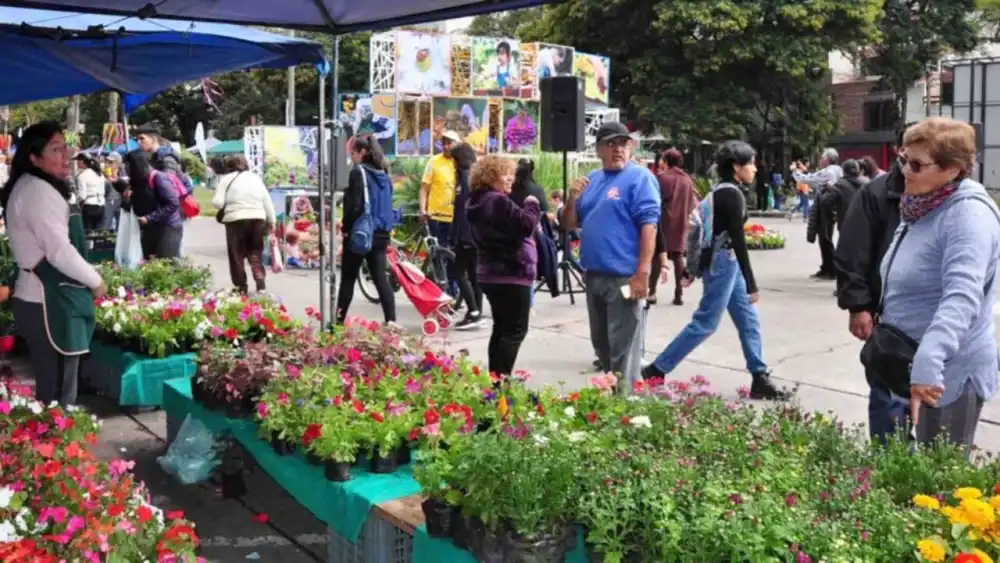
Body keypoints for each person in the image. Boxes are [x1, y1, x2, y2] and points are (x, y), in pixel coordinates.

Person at [876, 117, 1000, 452]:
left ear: (952, 169)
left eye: (916, 164)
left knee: (941, 483)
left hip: (947, 372)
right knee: (918, 472)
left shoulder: (967, 217)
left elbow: (962, 297)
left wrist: (929, 362)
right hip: (911, 362)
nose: (905, 170)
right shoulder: (923, 204)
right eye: (903, 159)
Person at [642, 141, 789, 401]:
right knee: (706, 322)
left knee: (748, 320)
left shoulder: (721, 191)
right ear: (736, 166)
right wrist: (752, 283)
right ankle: (657, 369)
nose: (755, 168)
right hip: (726, 263)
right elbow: (736, 240)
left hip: (724, 262)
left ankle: (759, 376)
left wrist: (694, 270)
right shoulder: (731, 194)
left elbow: (712, 237)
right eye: (751, 163)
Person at [1, 121, 107, 405]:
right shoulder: (37, 191)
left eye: (64, 147)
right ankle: (57, 441)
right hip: (48, 300)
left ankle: (55, 441)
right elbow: (59, 250)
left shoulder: (35, 185)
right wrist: (96, 282)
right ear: (34, 158)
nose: (65, 155)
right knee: (58, 392)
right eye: (55, 149)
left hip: (46, 296)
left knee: (54, 385)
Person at [562, 122, 660, 390]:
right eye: (611, 143)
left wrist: (643, 273)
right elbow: (570, 225)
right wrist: (572, 199)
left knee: (624, 353)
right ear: (598, 149)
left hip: (624, 277)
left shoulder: (640, 178)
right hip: (594, 275)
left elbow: (649, 227)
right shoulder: (591, 180)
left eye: (623, 143)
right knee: (602, 347)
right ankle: (614, 403)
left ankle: (627, 410)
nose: (618, 149)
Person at [834, 125, 911, 444]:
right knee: (889, 395)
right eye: (910, 154)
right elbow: (854, 252)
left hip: (937, 320)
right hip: (888, 315)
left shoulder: (956, 199)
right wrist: (858, 305)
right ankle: (889, 469)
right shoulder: (877, 193)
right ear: (898, 151)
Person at [466, 156, 541, 375]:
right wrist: (532, 204)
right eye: (506, 174)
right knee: (515, 330)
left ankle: (495, 380)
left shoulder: (476, 201)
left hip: (489, 273)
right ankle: (502, 382)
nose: (511, 179)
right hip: (511, 272)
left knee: (501, 328)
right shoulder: (496, 201)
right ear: (491, 176)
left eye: (512, 174)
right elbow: (526, 225)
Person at [336, 135, 397, 325]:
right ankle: (391, 321)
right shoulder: (384, 175)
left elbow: (354, 206)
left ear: (363, 153)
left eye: (353, 153)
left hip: (361, 233)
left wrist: (346, 229)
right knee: (380, 278)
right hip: (381, 233)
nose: (351, 156)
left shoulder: (358, 173)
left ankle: (338, 323)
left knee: (348, 279)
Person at [212, 155, 276, 294]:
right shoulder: (255, 179)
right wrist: (272, 221)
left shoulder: (226, 180)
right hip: (257, 219)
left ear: (229, 166)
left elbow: (217, 202)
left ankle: (241, 286)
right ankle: (260, 281)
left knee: (236, 254)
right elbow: (267, 201)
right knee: (255, 252)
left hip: (235, 220)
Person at [655, 148, 698, 305]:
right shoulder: (686, 179)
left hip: (664, 222)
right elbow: (692, 203)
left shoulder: (662, 178)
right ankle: (679, 293)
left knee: (657, 256)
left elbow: (655, 199)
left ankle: (651, 292)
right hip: (681, 223)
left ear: (666, 161)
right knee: (678, 256)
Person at [449, 142, 484, 329]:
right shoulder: (476, 175)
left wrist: (459, 236)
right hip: (476, 233)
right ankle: (478, 309)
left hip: (466, 234)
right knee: (473, 274)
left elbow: (463, 209)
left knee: (458, 272)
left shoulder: (464, 178)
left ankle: (473, 311)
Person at [794, 148, 843, 280]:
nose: (820, 160)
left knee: (825, 238)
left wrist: (795, 172)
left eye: (822, 158)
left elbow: (809, 179)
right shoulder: (838, 170)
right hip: (831, 208)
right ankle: (826, 267)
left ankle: (831, 269)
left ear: (827, 159)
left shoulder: (830, 171)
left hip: (826, 208)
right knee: (825, 238)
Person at [124, 150, 182, 260]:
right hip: (149, 228)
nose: (127, 169)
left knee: (166, 265)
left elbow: (173, 203)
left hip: (167, 228)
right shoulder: (139, 181)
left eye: (129, 165)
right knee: (150, 264)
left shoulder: (159, 178)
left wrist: (150, 217)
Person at [73, 154, 106, 230]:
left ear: (81, 162)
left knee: (88, 233)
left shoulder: (82, 176)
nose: (77, 163)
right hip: (101, 205)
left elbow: (82, 196)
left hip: (90, 206)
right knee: (98, 233)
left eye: (77, 161)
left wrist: (75, 201)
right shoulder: (99, 173)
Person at [102, 152, 124, 231]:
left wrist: (115, 177)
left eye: (111, 162)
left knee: (120, 223)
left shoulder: (123, 171)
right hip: (110, 199)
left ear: (118, 163)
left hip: (121, 200)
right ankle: (106, 239)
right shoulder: (105, 171)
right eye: (107, 161)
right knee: (107, 221)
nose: (108, 163)